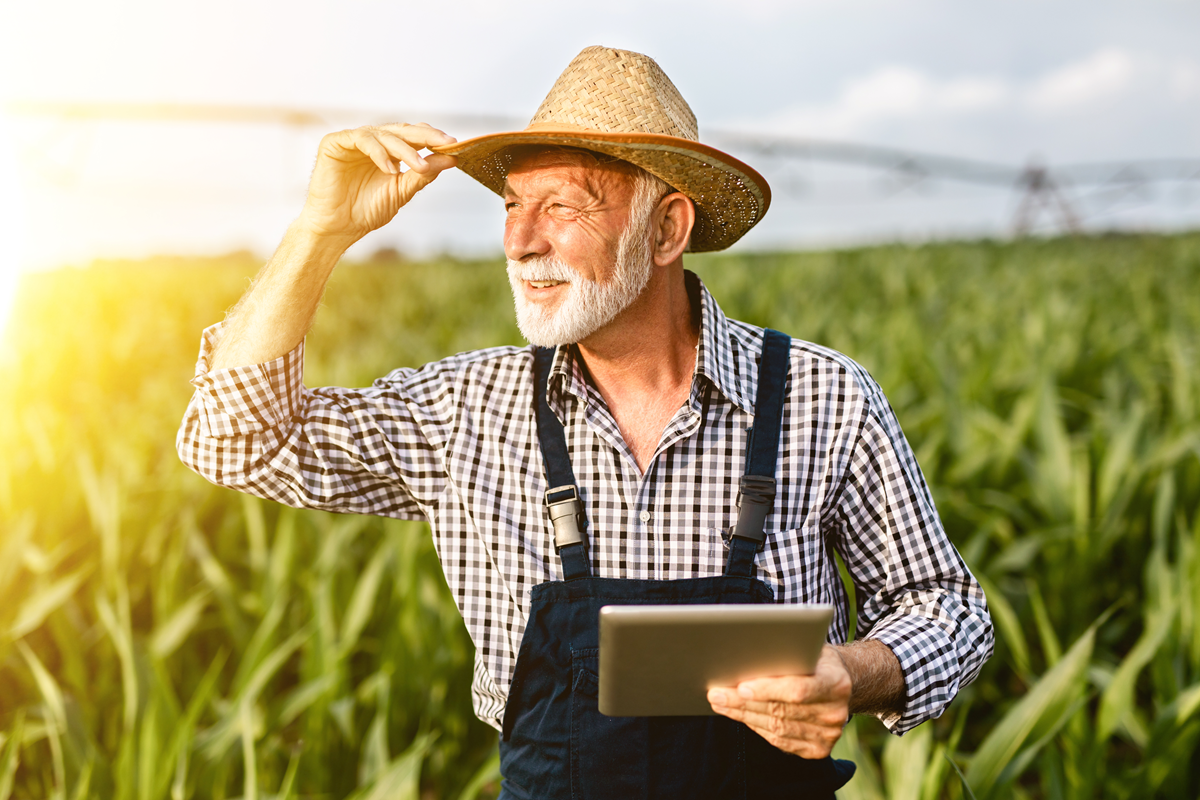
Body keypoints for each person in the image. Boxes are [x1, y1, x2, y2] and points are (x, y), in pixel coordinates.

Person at [178, 46, 993, 798]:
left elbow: (948, 608)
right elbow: (236, 439)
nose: (522, 243)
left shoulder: (822, 396)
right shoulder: (469, 408)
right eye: (512, 206)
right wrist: (320, 232)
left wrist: (852, 672)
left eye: (562, 206)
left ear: (667, 228)